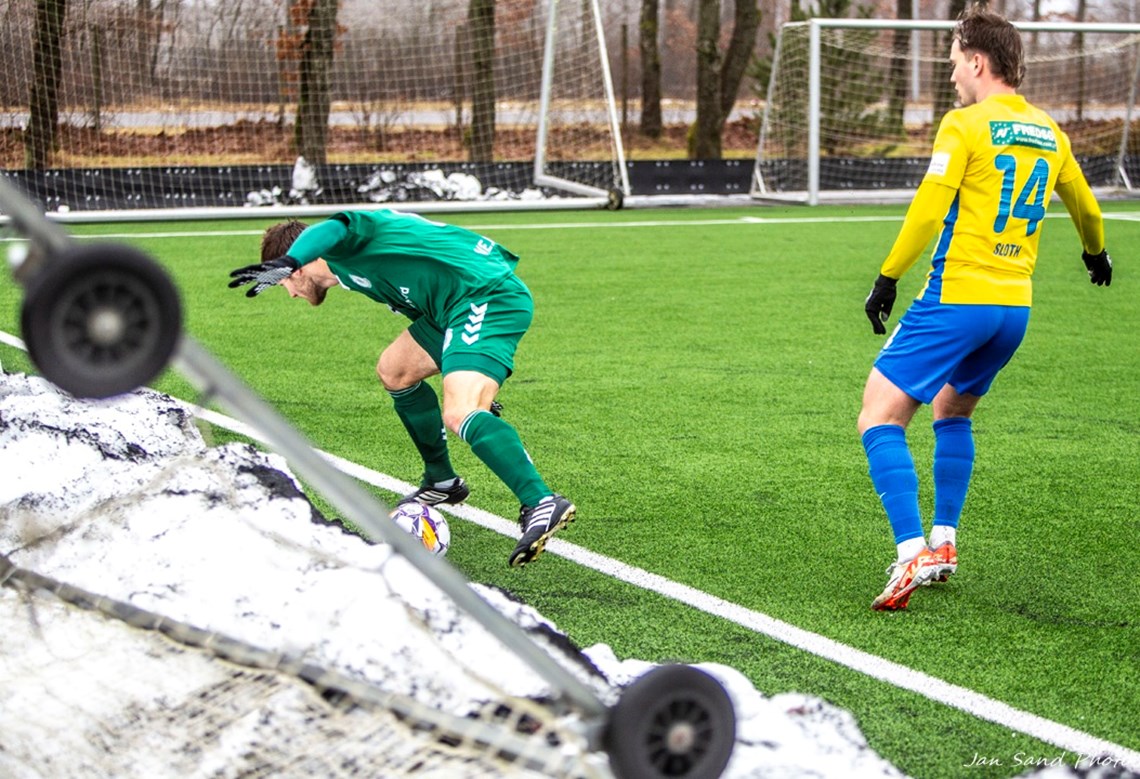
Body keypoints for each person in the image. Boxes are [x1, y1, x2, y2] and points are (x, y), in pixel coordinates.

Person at [858, 5, 1113, 611]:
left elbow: (928, 208)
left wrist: (888, 277)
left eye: (953, 63)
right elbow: (1086, 208)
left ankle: (909, 551)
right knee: (952, 410)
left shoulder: (964, 125)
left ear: (977, 62)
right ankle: (943, 540)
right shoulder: (1049, 131)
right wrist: (1095, 253)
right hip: (1013, 309)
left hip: (958, 298)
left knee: (878, 417)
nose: (951, 75)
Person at [228, 209, 576, 567]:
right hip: (449, 309)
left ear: (297, 270)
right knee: (394, 370)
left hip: (483, 296)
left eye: (283, 283)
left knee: (461, 411)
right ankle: (441, 481)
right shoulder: (347, 273)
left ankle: (540, 500)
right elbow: (420, 291)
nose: (289, 294)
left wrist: (289, 258)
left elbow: (338, 223)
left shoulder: (345, 244)